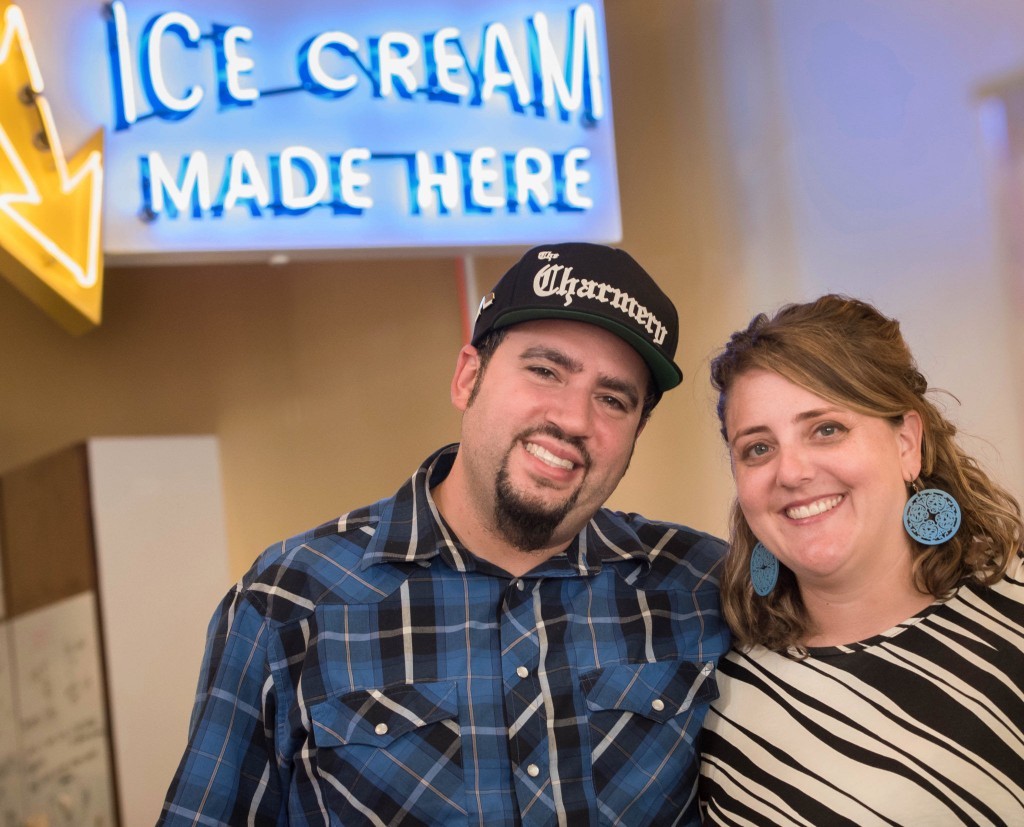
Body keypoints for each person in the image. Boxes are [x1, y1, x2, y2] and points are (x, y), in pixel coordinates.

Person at [158, 242, 730, 827]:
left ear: (637, 432)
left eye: (612, 399)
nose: (573, 419)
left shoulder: (701, 584)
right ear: (468, 378)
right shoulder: (289, 600)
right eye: (544, 371)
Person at [698, 294, 1024, 825]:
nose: (792, 472)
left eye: (826, 429)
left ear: (906, 444)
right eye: (758, 448)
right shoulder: (716, 683)